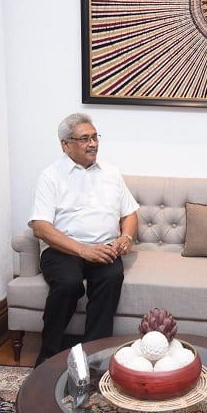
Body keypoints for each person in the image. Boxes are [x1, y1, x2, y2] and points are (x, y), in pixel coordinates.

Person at [29, 113, 139, 367]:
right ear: (65, 145)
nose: (93, 144)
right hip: (63, 249)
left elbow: (130, 213)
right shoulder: (51, 176)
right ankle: (49, 353)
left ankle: (94, 355)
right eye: (84, 139)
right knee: (68, 282)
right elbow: (40, 227)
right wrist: (82, 251)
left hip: (105, 247)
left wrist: (126, 236)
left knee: (111, 277)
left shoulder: (111, 173)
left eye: (95, 137)